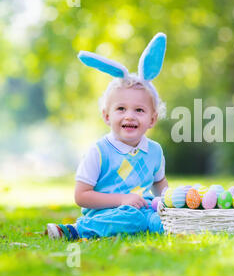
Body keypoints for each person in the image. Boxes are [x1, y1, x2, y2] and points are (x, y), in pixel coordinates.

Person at [46, 33, 168, 240]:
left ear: (153, 119)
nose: (129, 115)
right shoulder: (100, 151)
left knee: (162, 222)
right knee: (132, 219)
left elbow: (160, 184)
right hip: (107, 211)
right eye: (121, 108)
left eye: (139, 110)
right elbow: (81, 196)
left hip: (143, 209)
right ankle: (77, 229)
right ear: (106, 116)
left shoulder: (154, 151)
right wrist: (122, 199)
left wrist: (169, 202)